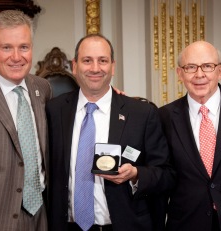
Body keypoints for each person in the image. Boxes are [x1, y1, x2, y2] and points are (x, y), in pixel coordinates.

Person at [46, 33, 176, 231]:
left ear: (113, 66)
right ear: (75, 65)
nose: (95, 68)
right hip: (66, 226)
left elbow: (166, 174)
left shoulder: (142, 113)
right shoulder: (54, 111)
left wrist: (136, 175)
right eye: (87, 60)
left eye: (103, 61)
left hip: (123, 225)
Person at [0, 10, 51, 231]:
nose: (17, 57)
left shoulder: (42, 89)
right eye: (6, 47)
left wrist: (109, 96)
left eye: (23, 47)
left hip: (41, 218)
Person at [159, 41, 221, 231]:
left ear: (219, 71)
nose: (199, 74)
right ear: (180, 74)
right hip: (186, 224)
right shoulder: (164, 117)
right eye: (191, 67)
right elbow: (160, 172)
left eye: (207, 66)